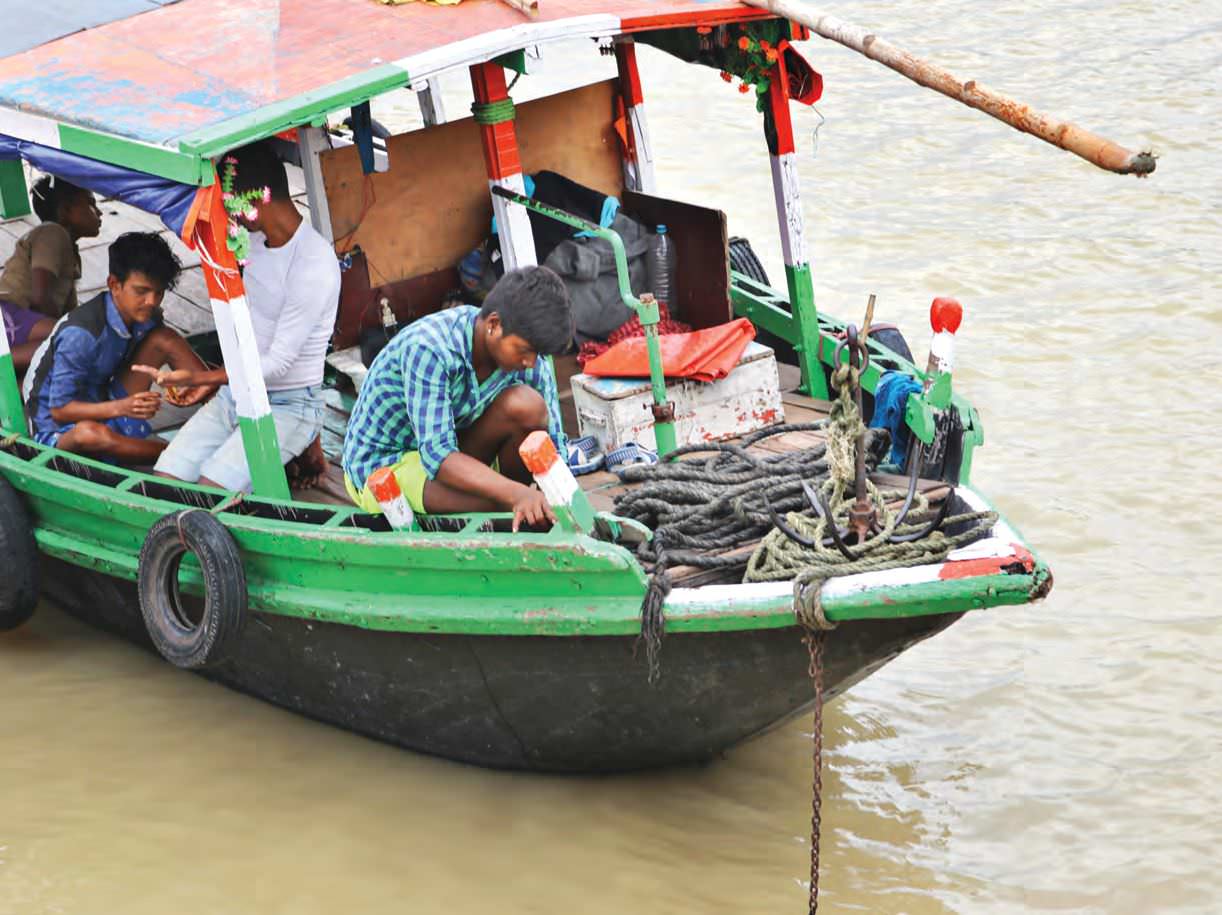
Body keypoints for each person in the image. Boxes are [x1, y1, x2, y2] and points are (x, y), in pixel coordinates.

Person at [147, 140, 340, 492]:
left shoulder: (313, 264)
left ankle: (302, 438)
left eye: (229, 207)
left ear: (256, 200)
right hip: (236, 395)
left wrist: (206, 378)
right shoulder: (253, 244)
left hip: (291, 403)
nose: (229, 217)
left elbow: (279, 363)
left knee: (211, 491)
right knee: (164, 482)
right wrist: (215, 383)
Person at [342, 266, 573, 531]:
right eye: (525, 351)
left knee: (527, 405)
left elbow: (554, 443)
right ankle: (515, 512)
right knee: (508, 508)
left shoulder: (529, 359)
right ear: (494, 325)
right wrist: (517, 494)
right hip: (386, 463)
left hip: (452, 451)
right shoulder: (429, 348)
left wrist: (560, 492)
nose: (531, 363)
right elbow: (438, 457)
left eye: (538, 354)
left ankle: (518, 508)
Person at [22, 232, 212, 465]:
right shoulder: (80, 335)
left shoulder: (146, 315)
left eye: (158, 292)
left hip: (104, 399)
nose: (152, 301)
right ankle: (177, 453)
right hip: (59, 430)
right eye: (141, 291)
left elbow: (156, 354)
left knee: (165, 339)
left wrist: (184, 381)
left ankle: (227, 416)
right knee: (89, 434)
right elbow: (60, 411)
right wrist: (122, 407)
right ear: (114, 284)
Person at [0, 175, 102, 372]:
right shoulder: (52, 232)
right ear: (65, 211)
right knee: (78, 339)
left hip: (23, 324)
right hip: (9, 314)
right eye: (91, 204)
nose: (99, 212)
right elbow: (40, 297)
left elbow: (68, 313)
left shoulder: (69, 250)